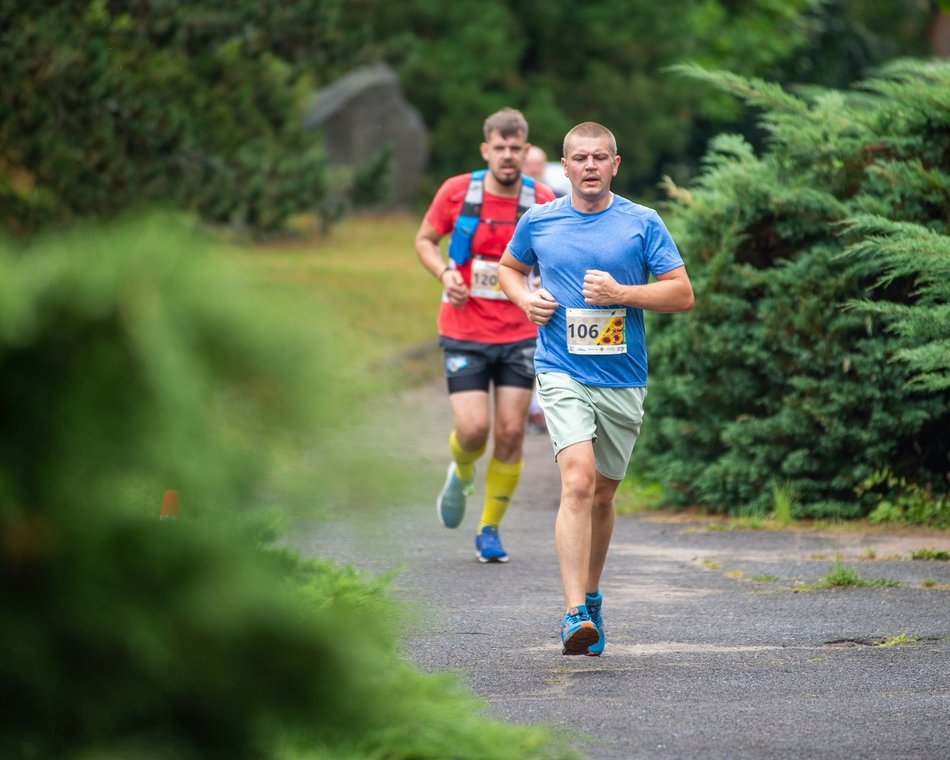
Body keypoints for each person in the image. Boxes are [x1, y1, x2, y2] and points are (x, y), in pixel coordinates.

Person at [498, 121, 694, 654]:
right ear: (564, 167)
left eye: (599, 157)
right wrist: (524, 300)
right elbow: (509, 270)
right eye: (580, 158)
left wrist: (622, 293)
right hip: (561, 369)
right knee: (578, 482)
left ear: (615, 164)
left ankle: (591, 592)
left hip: (623, 375)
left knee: (604, 493)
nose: (589, 166)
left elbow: (681, 294)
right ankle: (572, 614)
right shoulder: (539, 220)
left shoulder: (642, 222)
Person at [415, 108, 556, 563]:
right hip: (464, 328)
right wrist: (443, 274)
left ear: (526, 149)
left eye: (516, 148)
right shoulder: (457, 191)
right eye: (500, 148)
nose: (509, 156)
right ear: (486, 149)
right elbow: (424, 239)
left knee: (512, 432)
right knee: (474, 430)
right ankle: (461, 470)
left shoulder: (543, 198)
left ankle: (489, 529)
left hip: (520, 331)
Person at [520, 145, 551, 434]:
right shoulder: (519, 201)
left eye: (539, 165)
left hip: (541, 286)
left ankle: (538, 409)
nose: (535, 169)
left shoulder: (551, 198)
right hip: (515, 281)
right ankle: (529, 408)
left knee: (538, 345)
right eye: (530, 165)